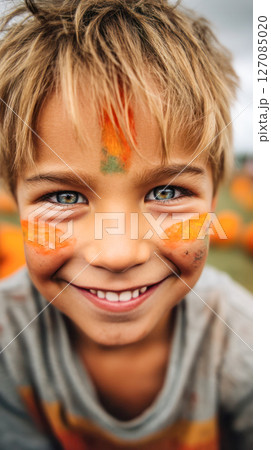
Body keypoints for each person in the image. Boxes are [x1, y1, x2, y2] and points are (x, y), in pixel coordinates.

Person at [0, 1, 252, 448]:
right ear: (13, 202)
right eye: (64, 197)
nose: (117, 254)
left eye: (168, 193)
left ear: (214, 200)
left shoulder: (242, 342)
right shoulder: (8, 338)